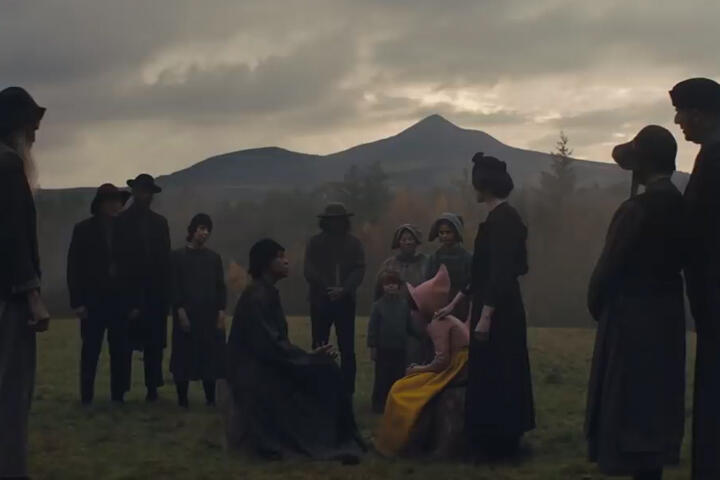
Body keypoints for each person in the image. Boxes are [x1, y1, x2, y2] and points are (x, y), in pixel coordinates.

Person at [585, 126, 686, 480]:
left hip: (630, 318)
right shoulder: (683, 206)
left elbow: (608, 268)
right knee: (657, 405)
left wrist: (599, 305)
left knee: (627, 403)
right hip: (668, 316)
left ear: (642, 164)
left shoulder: (636, 210)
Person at [227, 238, 365, 462]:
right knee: (325, 373)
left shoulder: (266, 292)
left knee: (326, 368)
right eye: (280, 257)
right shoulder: (256, 296)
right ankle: (330, 438)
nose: (286, 261)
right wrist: (307, 359)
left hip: (268, 366)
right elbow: (268, 347)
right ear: (265, 263)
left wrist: (309, 358)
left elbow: (276, 344)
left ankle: (337, 435)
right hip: (256, 376)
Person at [436, 153, 534, 460]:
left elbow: (502, 272)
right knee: (492, 371)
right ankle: (492, 442)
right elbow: (481, 273)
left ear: (485, 185)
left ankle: (500, 445)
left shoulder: (504, 220)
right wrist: (455, 303)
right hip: (493, 305)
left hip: (500, 310)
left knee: (500, 372)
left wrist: (486, 316)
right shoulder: (497, 219)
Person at [669, 77, 720, 480]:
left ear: (700, 114)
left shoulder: (714, 160)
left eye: (681, 112)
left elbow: (698, 229)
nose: (677, 121)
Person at [0, 86, 50, 478]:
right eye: (31, 126)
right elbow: (14, 237)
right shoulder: (7, 165)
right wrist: (33, 294)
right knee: (11, 394)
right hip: (10, 301)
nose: (34, 135)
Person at [374, 265, 470, 457]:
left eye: (416, 306)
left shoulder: (438, 323)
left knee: (402, 389)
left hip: (457, 368)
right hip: (461, 364)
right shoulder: (446, 319)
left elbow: (442, 362)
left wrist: (419, 369)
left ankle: (397, 441)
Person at [67, 183, 132, 404]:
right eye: (112, 201)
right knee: (90, 350)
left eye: (118, 201)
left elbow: (134, 268)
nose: (116, 205)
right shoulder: (83, 229)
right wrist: (77, 302)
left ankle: (118, 396)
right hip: (92, 302)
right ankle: (87, 396)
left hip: (120, 302)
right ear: (101, 204)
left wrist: (133, 302)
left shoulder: (126, 230)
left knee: (120, 350)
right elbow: (74, 268)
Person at [115, 173, 171, 402]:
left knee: (154, 345)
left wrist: (165, 295)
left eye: (148, 192)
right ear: (134, 192)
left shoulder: (160, 223)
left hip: (155, 294)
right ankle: (120, 390)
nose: (144, 196)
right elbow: (118, 262)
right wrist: (127, 298)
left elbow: (165, 261)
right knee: (124, 345)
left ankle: (152, 389)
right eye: (141, 191)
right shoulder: (121, 222)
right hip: (129, 291)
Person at [304, 203, 365, 394]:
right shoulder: (315, 243)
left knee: (347, 349)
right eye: (331, 220)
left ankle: (347, 391)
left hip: (345, 302)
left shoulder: (354, 244)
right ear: (325, 222)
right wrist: (326, 288)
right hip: (320, 301)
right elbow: (309, 269)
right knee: (319, 346)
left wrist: (345, 289)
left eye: (339, 220)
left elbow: (359, 268)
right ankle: (319, 388)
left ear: (344, 221)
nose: (335, 223)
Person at [169, 214, 227, 408]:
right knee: (183, 357)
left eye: (207, 229)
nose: (205, 233)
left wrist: (221, 311)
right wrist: (180, 311)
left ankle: (210, 399)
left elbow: (220, 287)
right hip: (186, 313)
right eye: (201, 228)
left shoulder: (214, 258)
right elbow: (174, 286)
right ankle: (182, 400)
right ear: (193, 229)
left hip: (209, 315)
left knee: (209, 358)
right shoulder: (177, 257)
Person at [374, 224, 431, 365]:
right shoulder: (389, 265)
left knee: (415, 359)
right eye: (404, 239)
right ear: (398, 242)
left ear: (416, 241)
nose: (407, 242)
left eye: (411, 239)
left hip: (418, 319)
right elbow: (377, 295)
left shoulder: (427, 263)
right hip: (391, 320)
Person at [367, 270, 414, 414]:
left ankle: (397, 404)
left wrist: (423, 333)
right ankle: (378, 405)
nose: (391, 286)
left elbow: (409, 326)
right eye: (388, 284)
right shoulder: (378, 306)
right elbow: (373, 328)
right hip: (383, 348)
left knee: (398, 377)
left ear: (399, 286)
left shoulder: (404, 305)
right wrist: (373, 347)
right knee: (382, 377)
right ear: (383, 287)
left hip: (400, 348)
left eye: (394, 284)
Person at [425, 213, 472, 321]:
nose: (444, 236)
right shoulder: (435, 258)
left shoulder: (467, 258)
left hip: (462, 307)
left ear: (456, 233)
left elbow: (471, 285)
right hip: (439, 307)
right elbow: (428, 283)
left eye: (448, 232)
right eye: (441, 233)